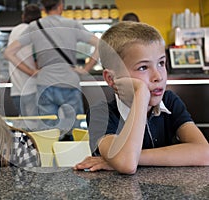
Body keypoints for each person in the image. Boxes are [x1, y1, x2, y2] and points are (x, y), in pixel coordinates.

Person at [74, 21, 209, 174]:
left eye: (161, 63)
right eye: (143, 67)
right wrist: (141, 94)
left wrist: (128, 158)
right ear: (111, 79)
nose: (158, 76)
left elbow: (205, 153)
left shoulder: (169, 101)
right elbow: (127, 164)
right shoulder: (101, 113)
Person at [4, 0, 99, 136]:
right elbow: (100, 44)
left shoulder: (35, 26)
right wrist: (86, 69)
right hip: (70, 83)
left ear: (43, 8)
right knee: (75, 130)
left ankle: (51, 156)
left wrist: (31, 72)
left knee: (48, 133)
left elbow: (9, 52)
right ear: (60, 6)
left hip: (45, 84)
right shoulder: (71, 25)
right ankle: (75, 155)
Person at [7, 3, 41, 116]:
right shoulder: (34, 30)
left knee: (23, 127)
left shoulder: (14, 30)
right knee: (35, 129)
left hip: (16, 90)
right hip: (32, 88)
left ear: (23, 16)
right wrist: (33, 71)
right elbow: (38, 56)